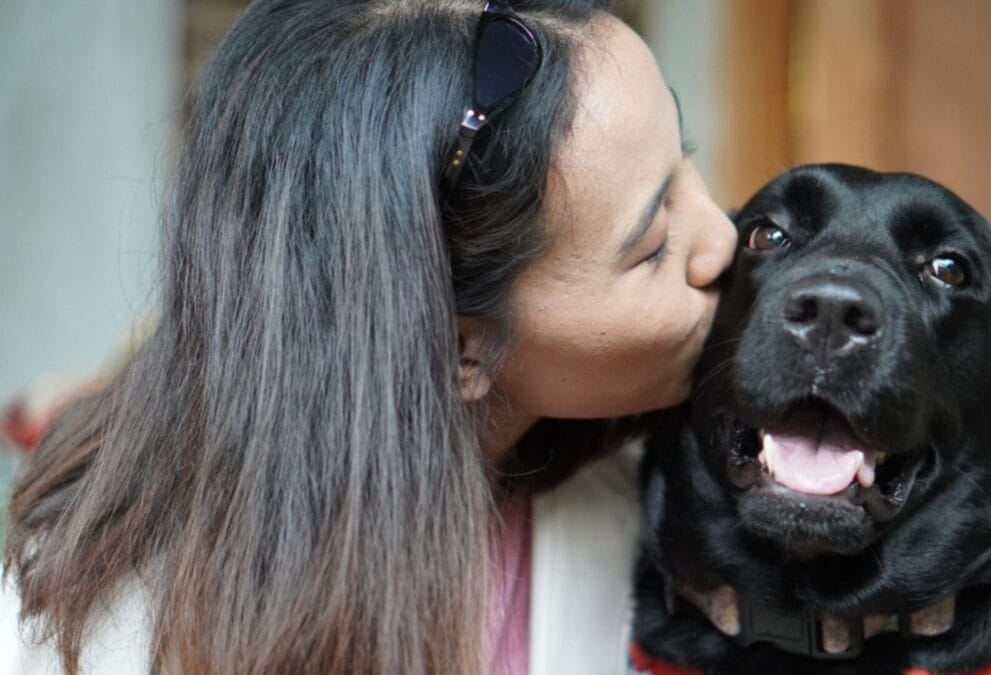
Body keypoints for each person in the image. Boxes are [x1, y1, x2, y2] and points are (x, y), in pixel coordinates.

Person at [1, 0, 734, 673]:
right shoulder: (97, 638)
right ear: (459, 348)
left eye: (685, 153)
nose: (724, 238)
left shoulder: (674, 518)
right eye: (654, 244)